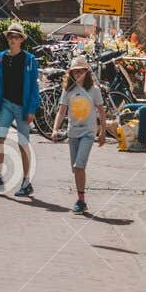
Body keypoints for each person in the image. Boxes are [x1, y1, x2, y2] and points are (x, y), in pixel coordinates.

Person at [0, 21, 41, 198]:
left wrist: (32, 109)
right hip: (5, 104)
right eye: (10, 36)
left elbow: (34, 87)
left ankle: (26, 182)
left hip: (22, 107)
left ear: (21, 40)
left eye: (16, 37)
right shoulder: (1, 58)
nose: (13, 39)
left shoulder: (29, 60)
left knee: (23, 143)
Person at [51, 54, 106, 214]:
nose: (78, 74)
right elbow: (61, 112)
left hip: (88, 133)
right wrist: (55, 129)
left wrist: (102, 132)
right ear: (71, 73)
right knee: (75, 169)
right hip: (73, 133)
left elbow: (101, 112)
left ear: (86, 72)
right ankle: (81, 199)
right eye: (75, 71)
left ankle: (81, 201)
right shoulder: (68, 91)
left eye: (81, 71)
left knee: (79, 165)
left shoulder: (94, 91)